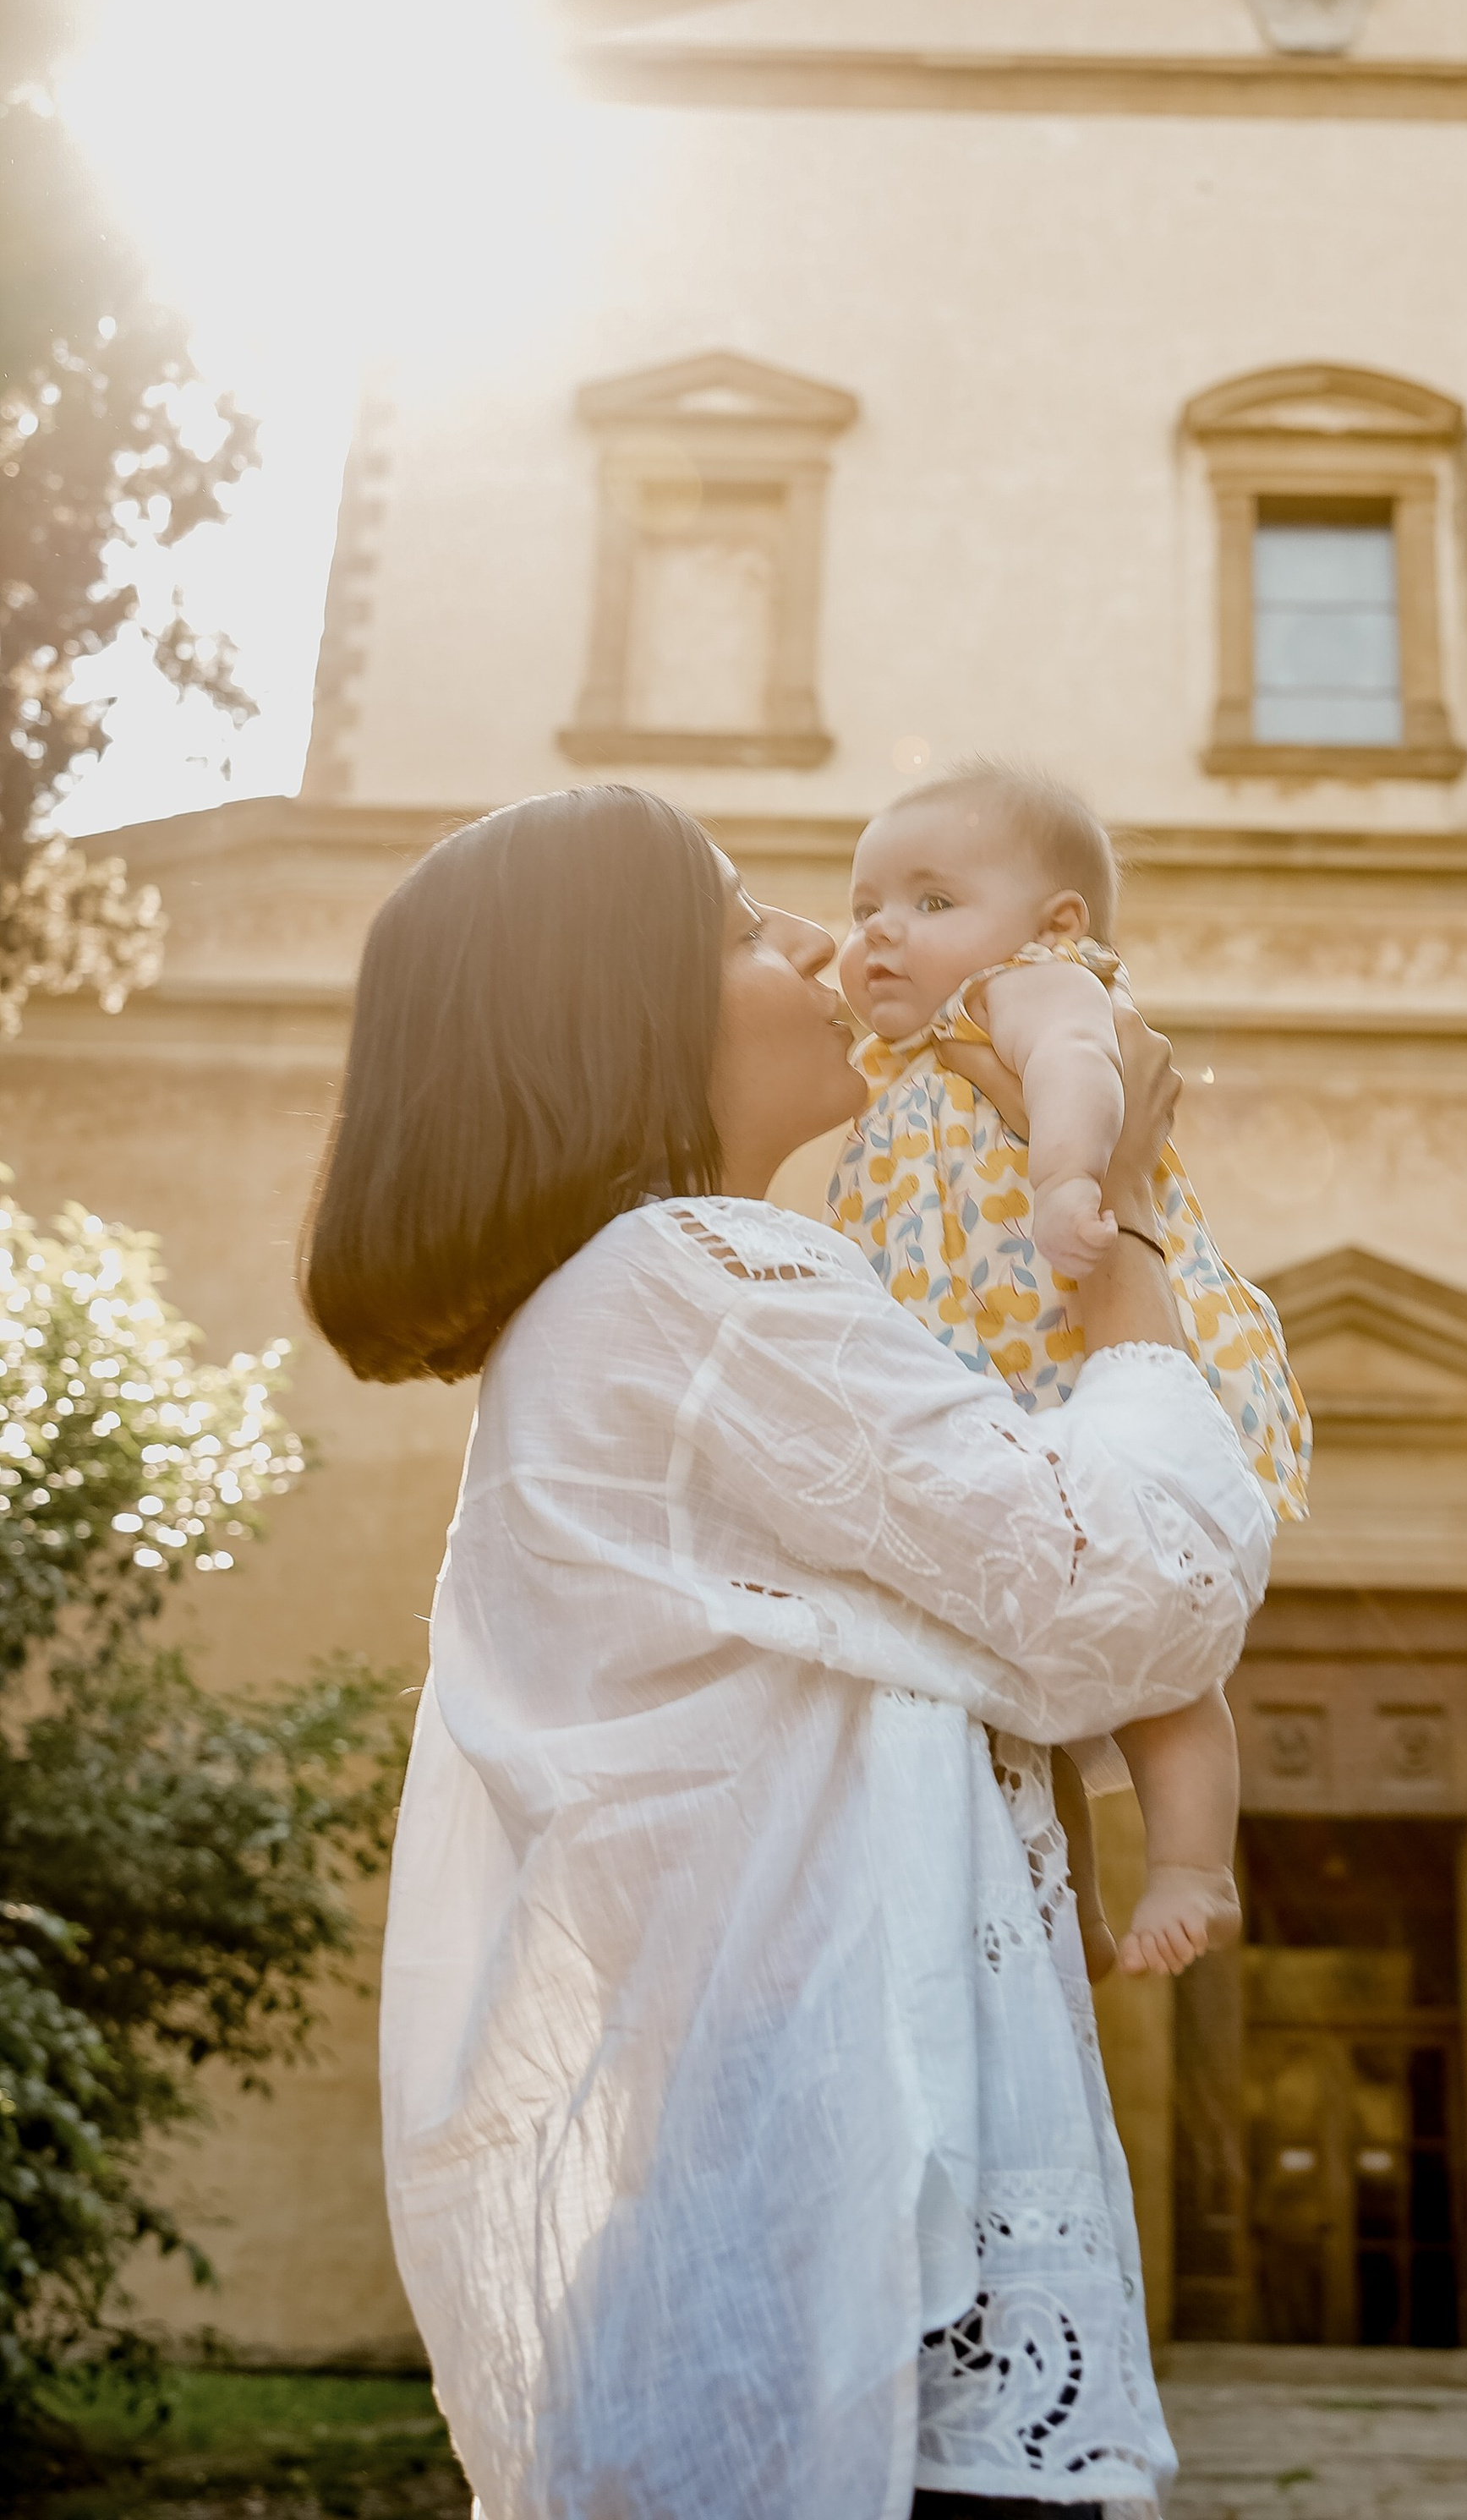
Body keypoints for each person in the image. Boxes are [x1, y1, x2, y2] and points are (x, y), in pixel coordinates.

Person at [302, 783, 1271, 2520]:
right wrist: (1121, 1221)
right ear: (616, 1019)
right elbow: (1135, 1594)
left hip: (759, 2236)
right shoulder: (695, 1280)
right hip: (849, 2280)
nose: (826, 946)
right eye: (753, 926)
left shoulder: (617, 1313)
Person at [831, 764, 1309, 1983]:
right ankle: (1077, 1913)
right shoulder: (904, 1065)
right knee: (1028, 1696)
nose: (881, 929)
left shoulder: (1028, 993)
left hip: (1066, 1333)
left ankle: (1195, 1864)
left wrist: (1063, 1184)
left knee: (1161, 1663)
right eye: (865, 903)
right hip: (995, 1372)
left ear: (1057, 925)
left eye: (932, 899)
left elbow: (1080, 1076)